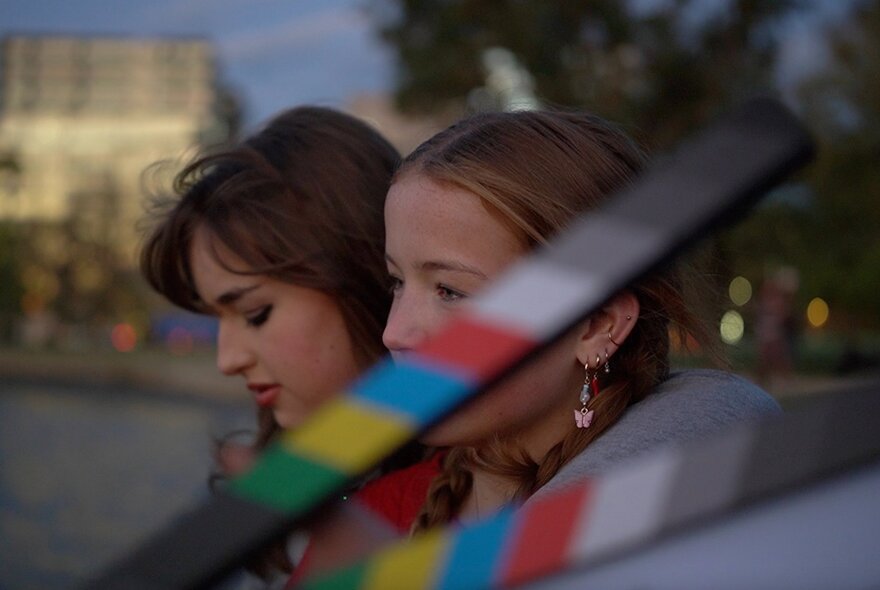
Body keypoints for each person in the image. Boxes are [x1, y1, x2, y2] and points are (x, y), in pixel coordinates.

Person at [370, 108, 782, 534]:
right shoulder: (373, 522)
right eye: (396, 282)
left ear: (597, 326)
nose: (394, 333)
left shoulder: (696, 533)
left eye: (450, 291)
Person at [139, 106, 416, 585]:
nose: (228, 360)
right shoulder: (299, 481)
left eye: (255, 314)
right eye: (216, 319)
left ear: (363, 277)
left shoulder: (482, 498)